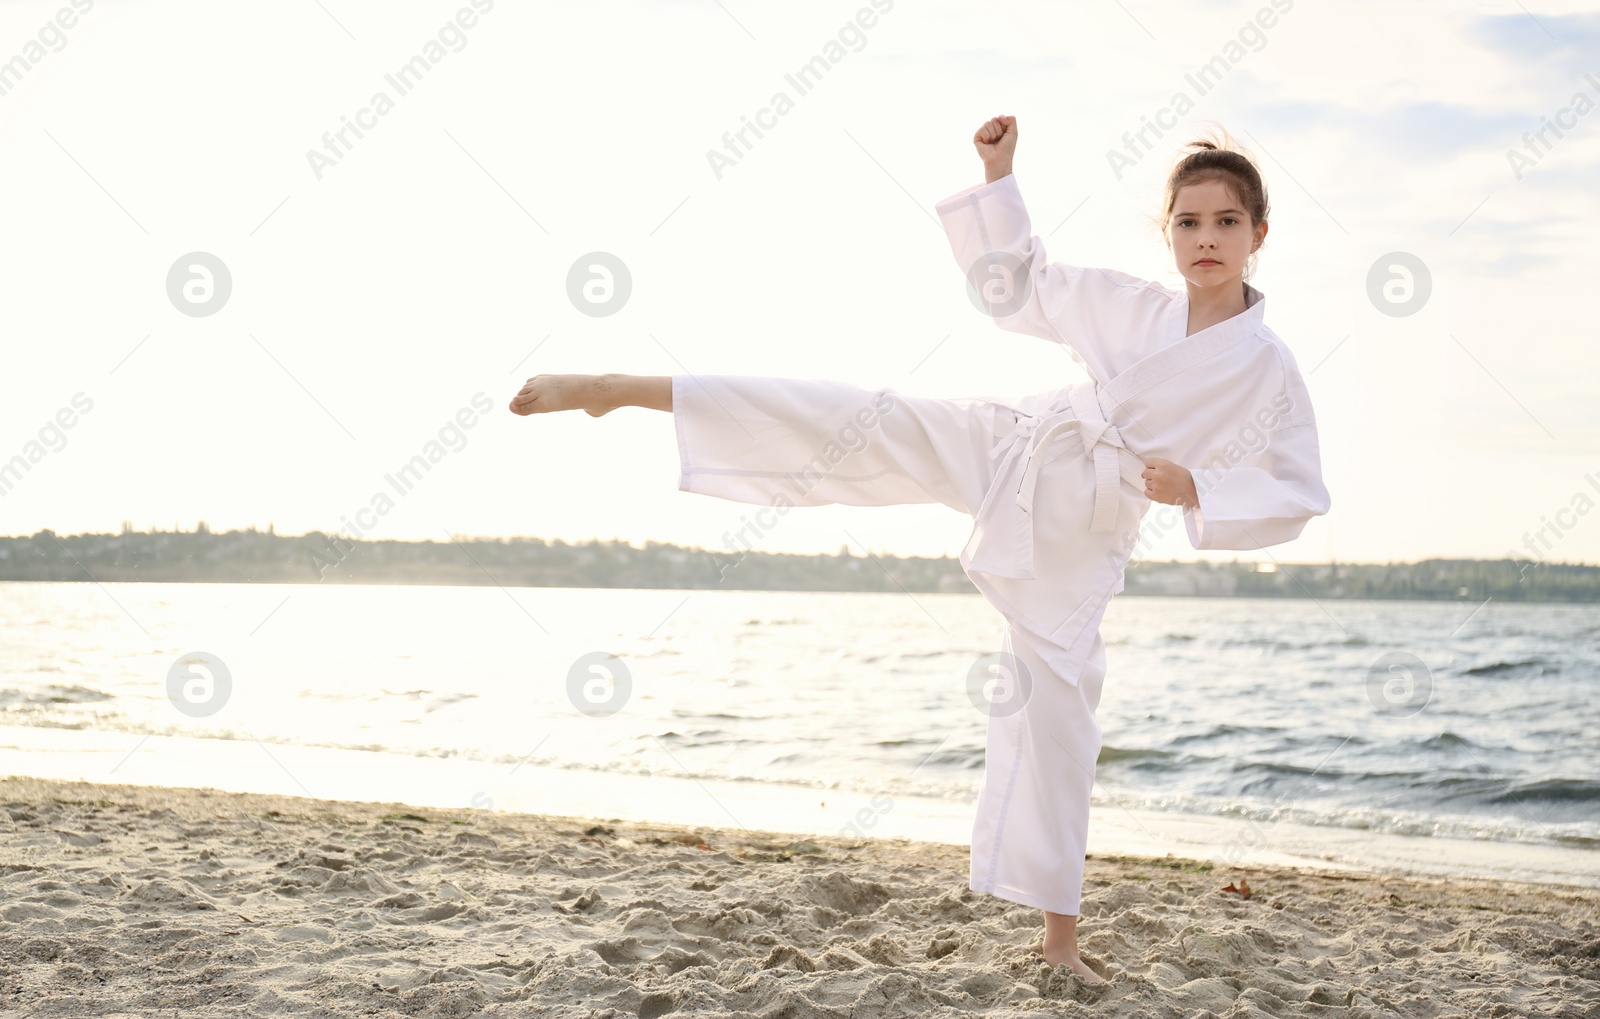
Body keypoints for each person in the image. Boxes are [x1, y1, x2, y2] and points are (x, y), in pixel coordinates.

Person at [509, 114, 1332, 982]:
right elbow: (1021, 284)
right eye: (1189, 222)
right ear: (1167, 235)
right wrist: (998, 176)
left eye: (1227, 222)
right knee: (865, 417)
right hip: (1020, 443)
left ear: (1259, 235)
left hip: (1083, 530)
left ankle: (1059, 939)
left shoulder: (1266, 366)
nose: (1207, 238)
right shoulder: (1131, 306)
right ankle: (626, 389)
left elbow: (1298, 487)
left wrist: (1199, 486)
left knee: (1062, 724)